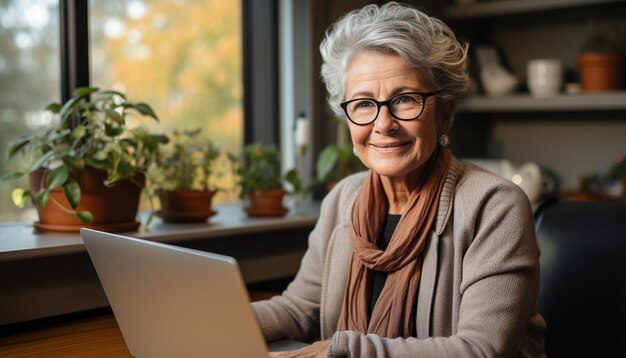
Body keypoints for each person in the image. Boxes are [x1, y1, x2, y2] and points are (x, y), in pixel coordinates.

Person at [253, 2, 546, 357]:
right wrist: (221, 319)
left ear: (444, 113)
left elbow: (481, 350)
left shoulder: (495, 206)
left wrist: (342, 350)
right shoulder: (343, 200)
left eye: (405, 100)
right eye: (362, 104)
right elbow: (299, 308)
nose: (383, 124)